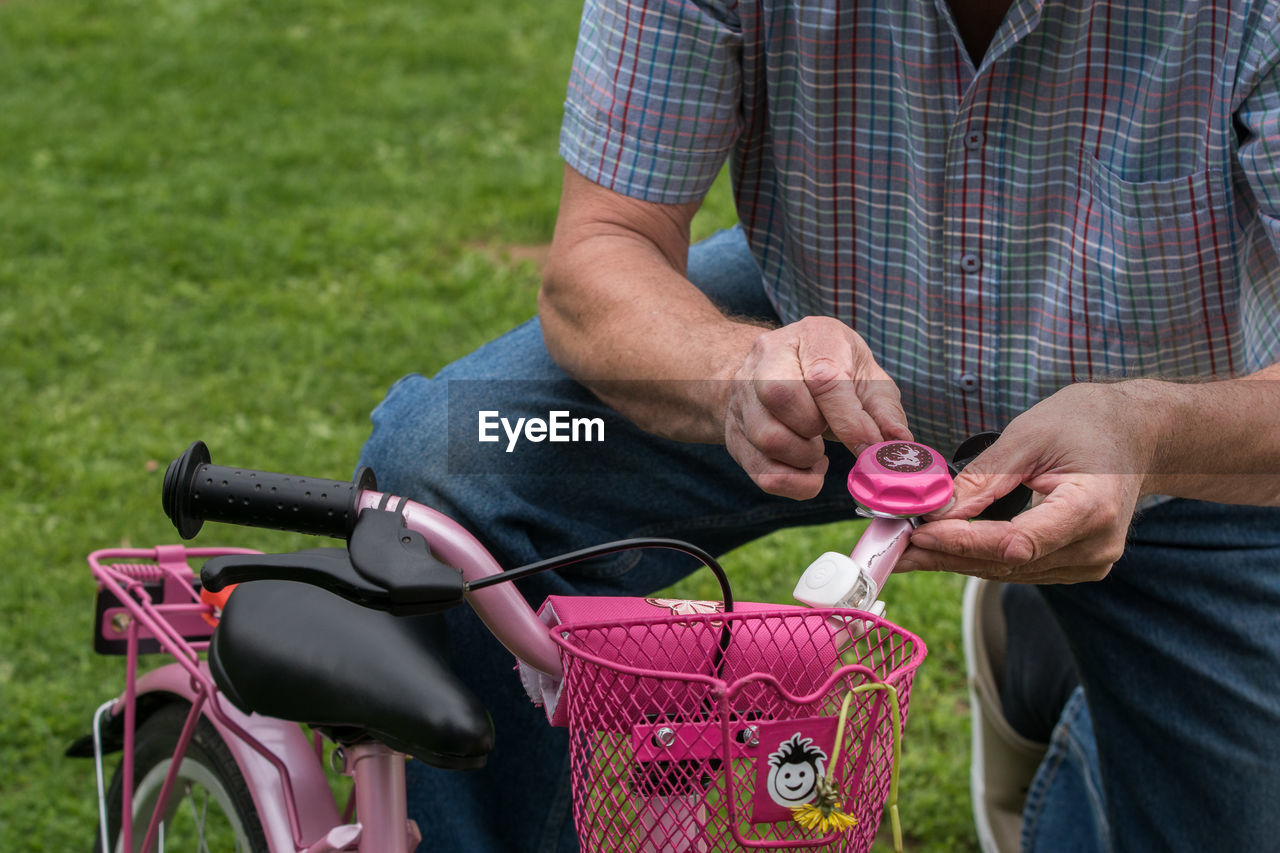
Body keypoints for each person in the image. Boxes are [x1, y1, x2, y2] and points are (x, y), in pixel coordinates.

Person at [358, 0, 1280, 848]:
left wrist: (1152, 434)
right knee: (448, 469)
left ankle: (1057, 670)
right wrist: (730, 373)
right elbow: (604, 248)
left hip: (1186, 439)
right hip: (819, 356)